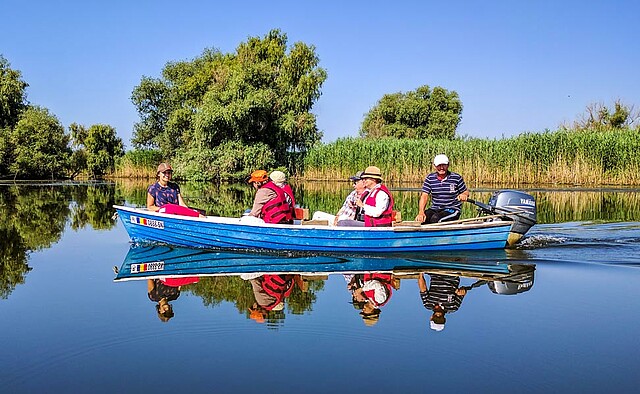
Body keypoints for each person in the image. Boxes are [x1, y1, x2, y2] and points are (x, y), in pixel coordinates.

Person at [415, 154, 469, 224]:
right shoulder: (430, 178)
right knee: (423, 219)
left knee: (436, 219)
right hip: (435, 209)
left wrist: (464, 195)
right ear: (434, 166)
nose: (441, 168)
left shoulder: (456, 177)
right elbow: (424, 196)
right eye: (439, 165)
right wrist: (421, 212)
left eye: (444, 165)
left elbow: (466, 192)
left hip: (452, 209)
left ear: (448, 165)